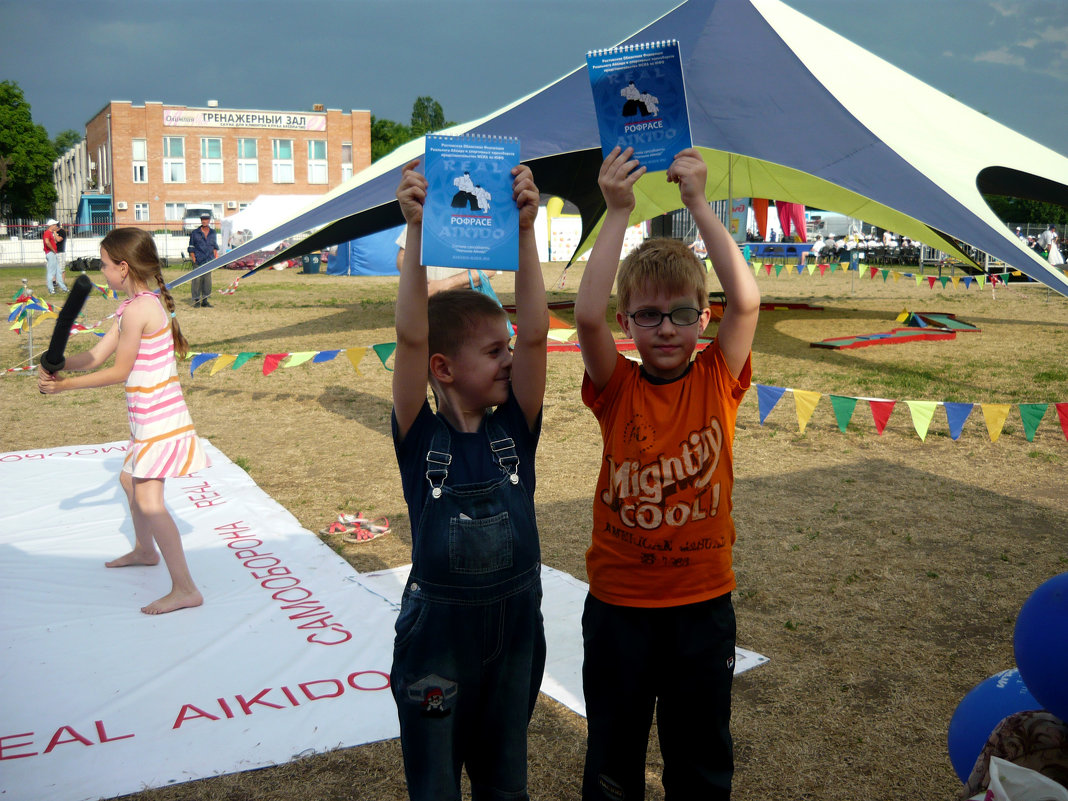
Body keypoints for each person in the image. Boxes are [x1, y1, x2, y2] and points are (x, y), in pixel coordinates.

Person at [574, 146, 761, 800]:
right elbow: (586, 316)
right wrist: (618, 211)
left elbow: (747, 300)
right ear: (629, 322)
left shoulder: (718, 376)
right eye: (648, 315)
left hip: (702, 608)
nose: (666, 328)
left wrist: (699, 207)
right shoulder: (616, 384)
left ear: (701, 319)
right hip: (621, 606)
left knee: (700, 755)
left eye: (682, 312)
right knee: (613, 757)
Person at [389, 158, 548, 800]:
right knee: (435, 791)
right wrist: (417, 237)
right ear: (443, 368)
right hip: (437, 651)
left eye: (508, 348)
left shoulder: (516, 430)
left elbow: (537, 337)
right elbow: (406, 338)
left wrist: (528, 232)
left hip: (514, 646)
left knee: (505, 787)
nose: (510, 358)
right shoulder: (418, 435)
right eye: (493, 352)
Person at [38, 227, 208, 615]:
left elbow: (119, 370)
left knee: (150, 503)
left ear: (123, 267)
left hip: (159, 420)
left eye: (103, 264)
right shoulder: (135, 305)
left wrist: (65, 387)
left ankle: (185, 588)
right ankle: (146, 551)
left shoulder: (140, 310)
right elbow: (97, 356)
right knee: (128, 479)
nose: (101, 271)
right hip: (148, 417)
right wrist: (59, 364)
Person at [187, 212, 218, 307]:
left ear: (209, 220)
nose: (204, 221)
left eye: (206, 219)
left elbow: (215, 247)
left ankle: (205, 300)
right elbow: (191, 247)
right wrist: (193, 258)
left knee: (207, 281)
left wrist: (215, 258)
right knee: (196, 280)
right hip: (198, 260)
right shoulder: (195, 233)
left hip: (209, 260)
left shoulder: (213, 233)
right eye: (203, 219)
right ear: (201, 220)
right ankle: (196, 300)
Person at [43, 219, 68, 294]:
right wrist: (53, 250)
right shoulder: (47, 233)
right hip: (51, 253)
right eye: (55, 225)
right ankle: (51, 290)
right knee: (51, 272)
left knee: (58, 271)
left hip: (53, 253)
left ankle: (64, 288)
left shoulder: (50, 233)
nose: (56, 226)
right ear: (52, 226)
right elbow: (47, 242)